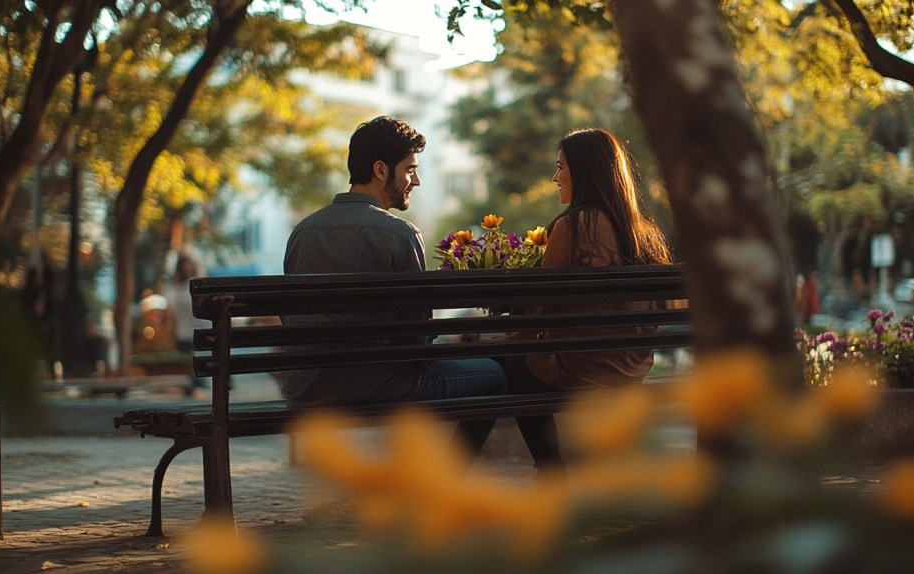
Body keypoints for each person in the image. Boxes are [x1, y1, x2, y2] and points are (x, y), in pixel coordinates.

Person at [280, 115, 506, 455]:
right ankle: (448, 478)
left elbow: (291, 318)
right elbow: (417, 333)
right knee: (493, 376)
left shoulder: (304, 231)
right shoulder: (398, 233)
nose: (416, 180)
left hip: (309, 387)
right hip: (379, 385)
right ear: (381, 170)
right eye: (410, 169)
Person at [502, 127, 673, 475]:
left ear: (583, 171)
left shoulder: (573, 227)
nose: (555, 178)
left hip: (582, 371)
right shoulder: (645, 234)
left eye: (561, 167)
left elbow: (538, 313)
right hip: (631, 369)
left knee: (500, 366)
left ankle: (551, 472)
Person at [167, 253, 209, 391]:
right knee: (189, 363)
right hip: (184, 332)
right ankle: (194, 384)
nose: (186, 268)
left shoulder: (189, 286)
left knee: (193, 362)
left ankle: (195, 383)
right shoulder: (177, 288)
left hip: (193, 330)